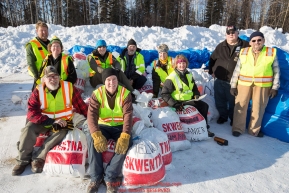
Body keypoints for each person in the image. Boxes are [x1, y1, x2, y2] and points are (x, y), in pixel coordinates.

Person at [12, 66, 88, 176]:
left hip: (63, 122)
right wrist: (50, 121)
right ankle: (22, 160)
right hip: (43, 121)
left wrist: (93, 119)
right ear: (44, 79)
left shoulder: (69, 87)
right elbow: (31, 111)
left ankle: (38, 159)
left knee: (62, 132)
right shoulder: (38, 90)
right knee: (28, 129)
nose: (53, 79)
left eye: (55, 76)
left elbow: (81, 106)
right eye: (49, 77)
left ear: (59, 77)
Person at [84, 68, 133, 193]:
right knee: (91, 138)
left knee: (127, 143)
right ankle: (95, 177)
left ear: (118, 80)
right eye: (108, 80)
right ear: (104, 82)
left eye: (114, 79)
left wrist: (125, 135)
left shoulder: (125, 93)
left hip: (119, 126)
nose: (112, 82)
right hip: (103, 125)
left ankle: (109, 177)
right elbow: (91, 116)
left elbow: (128, 116)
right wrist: (96, 134)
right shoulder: (97, 94)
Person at [230, 31, 280, 137]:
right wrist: (233, 85)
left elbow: (276, 71)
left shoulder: (270, 52)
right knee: (240, 106)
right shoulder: (244, 52)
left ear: (263, 41)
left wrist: (275, 87)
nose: (256, 42)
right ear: (250, 42)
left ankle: (254, 130)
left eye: (259, 40)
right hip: (244, 83)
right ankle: (238, 129)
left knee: (258, 108)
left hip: (262, 85)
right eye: (254, 40)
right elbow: (237, 70)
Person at [161, 54, 215, 137]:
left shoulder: (188, 74)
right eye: (179, 63)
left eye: (183, 63)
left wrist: (196, 94)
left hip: (189, 99)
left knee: (204, 106)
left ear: (186, 64)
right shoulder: (172, 78)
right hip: (179, 102)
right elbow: (164, 94)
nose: (182, 65)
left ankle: (204, 127)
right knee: (202, 107)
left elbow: (194, 87)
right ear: (176, 65)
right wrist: (175, 104)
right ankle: (204, 129)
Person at [208, 25, 250, 126]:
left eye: (233, 32)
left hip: (234, 81)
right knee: (220, 100)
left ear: (237, 33)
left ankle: (233, 118)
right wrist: (211, 71)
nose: (231, 34)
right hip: (219, 79)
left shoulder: (245, 45)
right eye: (228, 33)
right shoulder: (221, 46)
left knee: (233, 101)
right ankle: (223, 116)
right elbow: (212, 59)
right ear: (226, 35)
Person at [25, 21, 50, 91]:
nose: (44, 32)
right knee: (38, 97)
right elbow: (31, 62)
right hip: (40, 76)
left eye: (45, 30)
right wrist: (37, 77)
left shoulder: (51, 44)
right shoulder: (31, 45)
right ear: (37, 31)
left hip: (51, 75)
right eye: (41, 30)